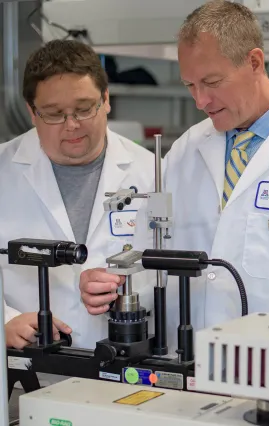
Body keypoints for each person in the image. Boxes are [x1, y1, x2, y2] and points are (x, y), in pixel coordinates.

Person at [80, 0, 269, 358]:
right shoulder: (186, 150)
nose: (200, 100)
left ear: (254, 62)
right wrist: (110, 283)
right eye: (190, 85)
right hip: (187, 370)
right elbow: (147, 256)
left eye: (211, 82)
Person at [1, 39, 155, 351]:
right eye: (54, 114)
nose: (72, 125)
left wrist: (122, 287)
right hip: (27, 370)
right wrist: (5, 320)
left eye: (84, 109)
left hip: (126, 368)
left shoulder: (153, 174)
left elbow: (179, 273)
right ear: (32, 111)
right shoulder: (3, 171)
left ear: (106, 99)